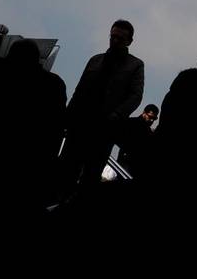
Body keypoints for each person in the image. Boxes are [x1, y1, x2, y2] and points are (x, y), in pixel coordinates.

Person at [60, 19, 145, 195]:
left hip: (104, 129)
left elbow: (135, 96)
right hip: (81, 125)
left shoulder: (135, 65)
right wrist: (68, 118)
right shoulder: (95, 60)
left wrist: (115, 115)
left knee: (90, 176)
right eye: (113, 37)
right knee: (67, 171)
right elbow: (79, 91)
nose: (114, 41)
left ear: (129, 41)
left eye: (120, 38)